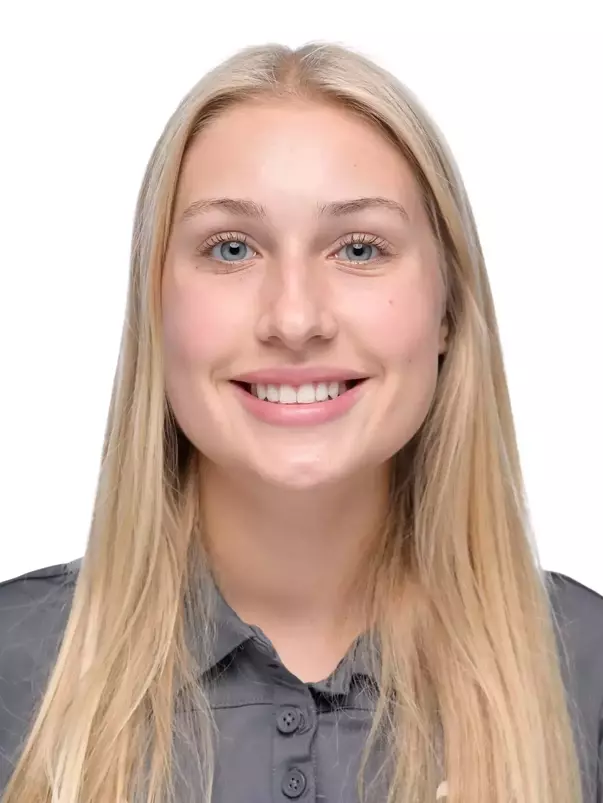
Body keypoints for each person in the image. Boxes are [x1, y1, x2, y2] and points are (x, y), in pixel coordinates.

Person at [0, 41, 601, 803]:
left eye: (359, 248)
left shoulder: (583, 667)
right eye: (231, 248)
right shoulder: (15, 668)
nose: (293, 318)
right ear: (156, 308)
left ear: (447, 308)